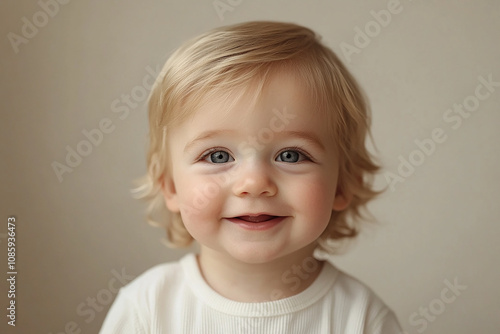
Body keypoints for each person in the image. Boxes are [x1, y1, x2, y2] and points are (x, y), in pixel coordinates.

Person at [100, 21, 403, 333]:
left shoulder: (361, 319)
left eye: (291, 155)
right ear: (170, 185)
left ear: (343, 182)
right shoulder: (147, 309)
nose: (255, 182)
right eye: (218, 156)